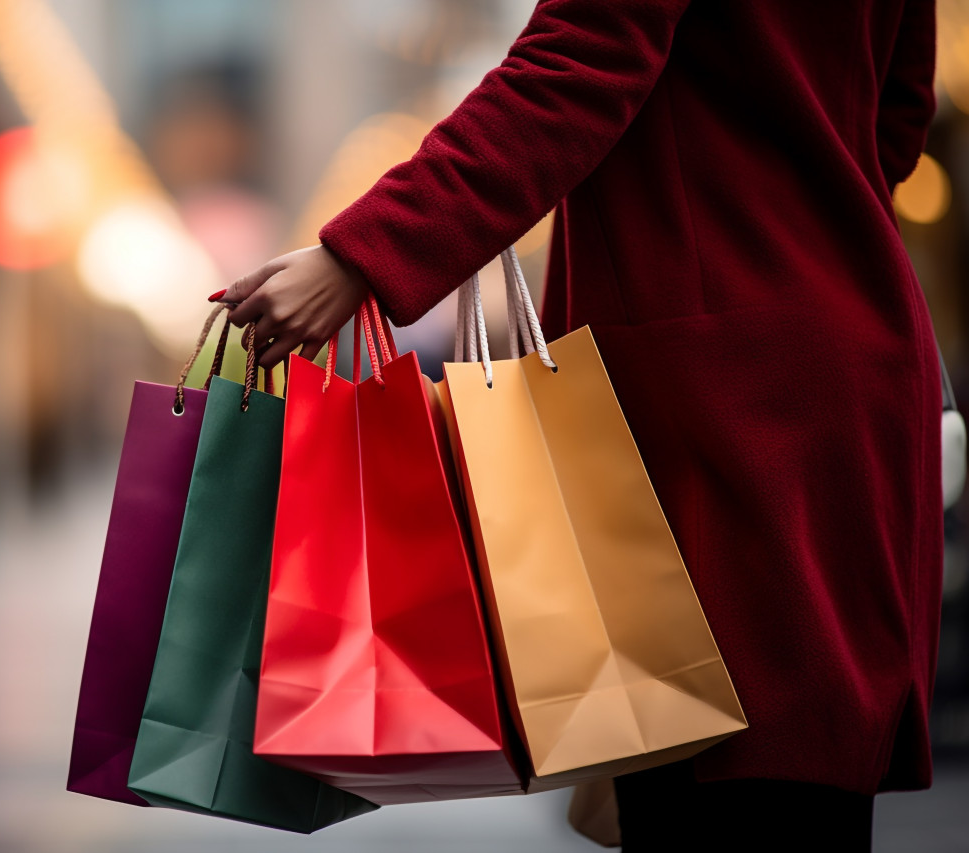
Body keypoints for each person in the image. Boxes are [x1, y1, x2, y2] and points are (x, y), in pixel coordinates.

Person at [212, 1, 941, 850]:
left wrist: (362, 254)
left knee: (713, 782)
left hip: (714, 395)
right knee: (804, 787)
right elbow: (898, 116)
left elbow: (577, 66)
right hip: (852, 359)